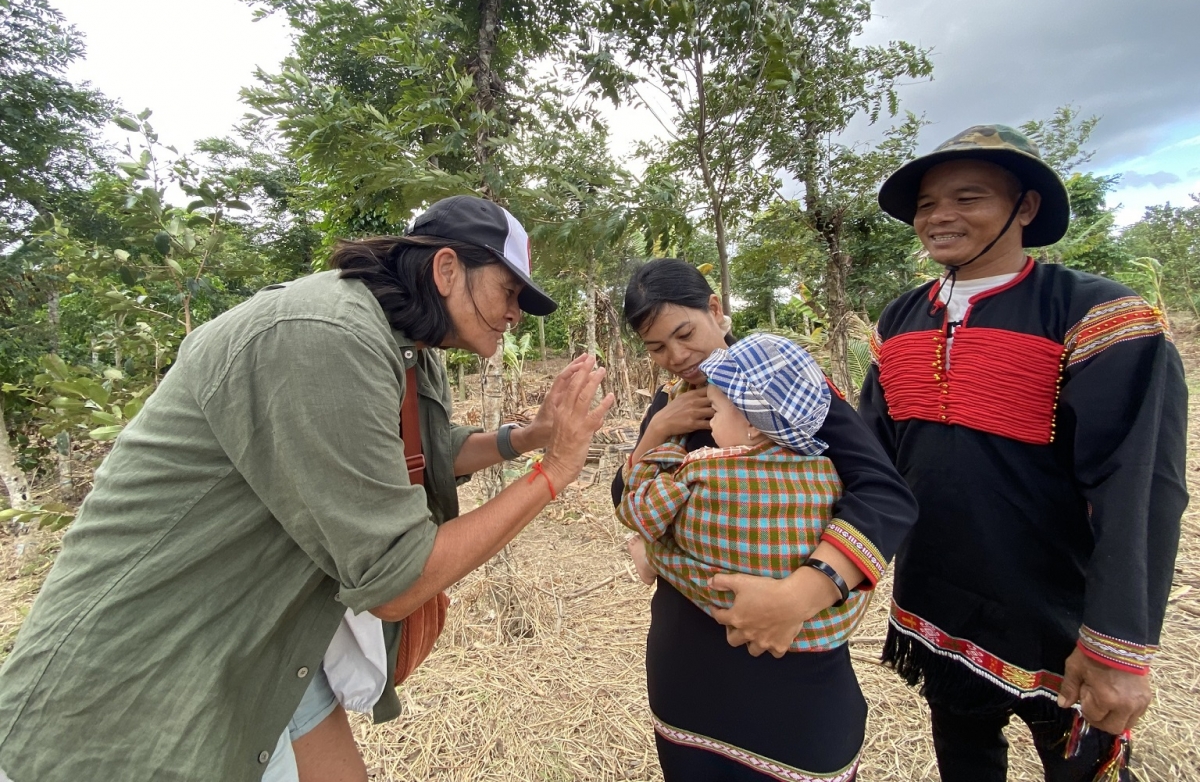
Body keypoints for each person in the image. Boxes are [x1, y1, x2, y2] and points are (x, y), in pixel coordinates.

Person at [0, 195, 614, 782]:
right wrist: (553, 470)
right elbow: (396, 580)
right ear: (448, 269)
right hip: (150, 661)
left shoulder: (405, 345)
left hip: (261, 636)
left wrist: (530, 436)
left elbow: (427, 451)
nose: (514, 315)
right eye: (509, 293)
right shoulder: (326, 336)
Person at [860, 125, 1189, 782]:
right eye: (927, 204)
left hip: (1058, 615)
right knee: (965, 759)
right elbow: (871, 460)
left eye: (968, 197)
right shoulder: (900, 320)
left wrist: (1118, 648)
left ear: (1026, 207)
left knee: (1081, 769)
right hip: (938, 601)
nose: (940, 217)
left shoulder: (1098, 318)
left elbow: (1139, 484)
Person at [612, 259, 918, 782]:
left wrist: (802, 593)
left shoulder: (782, 380)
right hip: (686, 661)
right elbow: (629, 500)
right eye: (657, 348)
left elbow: (885, 493)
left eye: (684, 334)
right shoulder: (673, 402)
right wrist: (656, 430)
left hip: (792, 668)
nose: (678, 357)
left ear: (716, 310)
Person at [619, 332, 877, 650]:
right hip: (826, 628)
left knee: (670, 547)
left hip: (745, 620)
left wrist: (662, 456)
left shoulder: (703, 469)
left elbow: (637, 511)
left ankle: (652, 560)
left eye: (715, 411)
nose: (676, 356)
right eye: (657, 346)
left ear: (753, 423)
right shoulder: (825, 470)